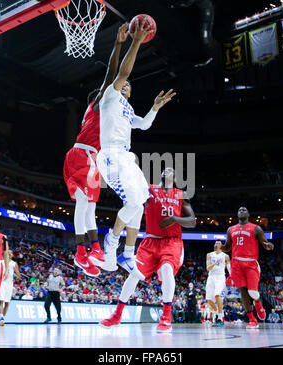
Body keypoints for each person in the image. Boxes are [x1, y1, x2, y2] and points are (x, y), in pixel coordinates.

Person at [93, 19, 176, 277]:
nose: (125, 83)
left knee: (140, 204)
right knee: (133, 201)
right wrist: (135, 41)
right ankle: (111, 243)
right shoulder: (110, 96)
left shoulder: (127, 109)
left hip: (125, 159)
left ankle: (126, 254)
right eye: (122, 82)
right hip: (111, 156)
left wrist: (155, 108)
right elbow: (120, 73)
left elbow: (144, 125)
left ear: (131, 93)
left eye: (128, 85)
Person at [63, 23, 130, 277]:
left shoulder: (114, 116)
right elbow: (113, 75)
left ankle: (92, 249)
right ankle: (81, 251)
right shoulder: (101, 102)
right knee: (84, 204)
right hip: (84, 155)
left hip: (89, 158)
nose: (121, 89)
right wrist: (118, 44)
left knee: (89, 207)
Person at [99, 167, 196, 332]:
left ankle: (166, 317)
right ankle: (117, 315)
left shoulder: (181, 194)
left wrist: (174, 219)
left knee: (166, 269)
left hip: (171, 242)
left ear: (176, 178)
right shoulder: (149, 189)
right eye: (164, 169)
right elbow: (132, 194)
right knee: (133, 275)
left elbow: (192, 221)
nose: (167, 170)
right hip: (150, 241)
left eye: (171, 169)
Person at [221, 206, 274, 329]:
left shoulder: (256, 228)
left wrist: (269, 245)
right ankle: (252, 319)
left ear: (248, 214)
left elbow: (266, 243)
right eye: (240, 209)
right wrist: (221, 247)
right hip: (236, 263)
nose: (242, 210)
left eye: (244, 209)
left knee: (252, 292)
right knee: (243, 291)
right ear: (237, 213)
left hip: (250, 263)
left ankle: (258, 302)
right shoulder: (231, 229)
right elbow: (227, 247)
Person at [205, 240, 230, 327]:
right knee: (209, 299)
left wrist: (232, 277)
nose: (216, 244)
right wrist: (215, 263)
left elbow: (229, 268)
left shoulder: (225, 256)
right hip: (211, 276)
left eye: (218, 243)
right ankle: (216, 312)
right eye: (215, 243)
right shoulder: (209, 255)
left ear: (221, 246)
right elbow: (208, 268)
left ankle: (219, 317)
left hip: (220, 277)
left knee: (217, 295)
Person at [0, 250, 21, 326]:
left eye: (10, 253)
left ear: (12, 255)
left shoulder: (14, 264)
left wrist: (17, 276)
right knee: (1, 300)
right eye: (8, 253)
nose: (9, 254)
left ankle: (3, 318)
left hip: (9, 283)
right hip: (2, 282)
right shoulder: (1, 262)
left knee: (7, 302)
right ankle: (1, 317)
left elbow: (18, 275)